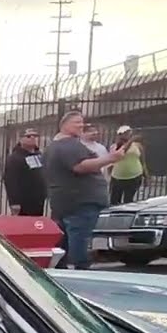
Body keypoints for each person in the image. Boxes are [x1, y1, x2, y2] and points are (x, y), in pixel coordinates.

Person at [43, 111, 125, 270]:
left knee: (64, 241)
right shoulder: (69, 145)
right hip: (81, 202)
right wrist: (111, 158)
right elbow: (80, 166)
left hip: (65, 201)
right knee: (79, 238)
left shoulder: (54, 147)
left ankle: (62, 269)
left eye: (82, 122)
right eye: (76, 122)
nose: (81, 125)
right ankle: (80, 269)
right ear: (64, 125)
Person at [2, 128, 46, 216]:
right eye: (28, 136)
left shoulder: (39, 155)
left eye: (35, 136)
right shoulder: (14, 158)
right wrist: (14, 202)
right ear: (21, 139)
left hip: (38, 200)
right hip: (24, 201)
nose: (33, 138)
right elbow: (11, 181)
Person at [109, 125, 148, 205]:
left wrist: (146, 176)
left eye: (128, 132)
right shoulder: (114, 146)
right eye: (124, 133)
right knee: (114, 201)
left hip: (134, 176)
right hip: (118, 177)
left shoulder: (138, 146)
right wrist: (131, 141)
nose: (127, 134)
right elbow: (122, 152)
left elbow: (142, 161)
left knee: (128, 201)